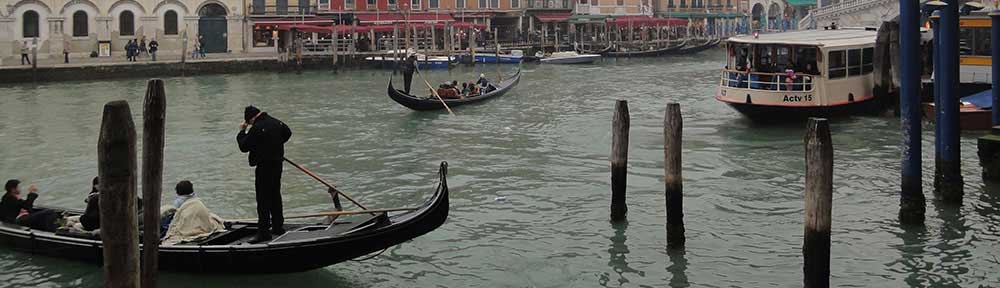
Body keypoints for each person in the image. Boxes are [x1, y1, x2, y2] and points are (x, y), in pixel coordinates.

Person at [237, 106, 293, 243]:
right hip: (277, 164)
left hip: (264, 166)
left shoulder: (256, 128)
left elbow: (244, 146)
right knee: (275, 195)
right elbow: (288, 133)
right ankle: (278, 227)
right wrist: (275, 145)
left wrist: (242, 131)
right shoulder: (276, 122)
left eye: (249, 122)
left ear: (251, 119)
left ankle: (263, 233)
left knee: (263, 199)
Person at [159, 181, 225, 245]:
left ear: (178, 192)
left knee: (166, 222)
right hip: (196, 215)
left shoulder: (178, 201)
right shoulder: (195, 197)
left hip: (187, 218)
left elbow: (177, 214)